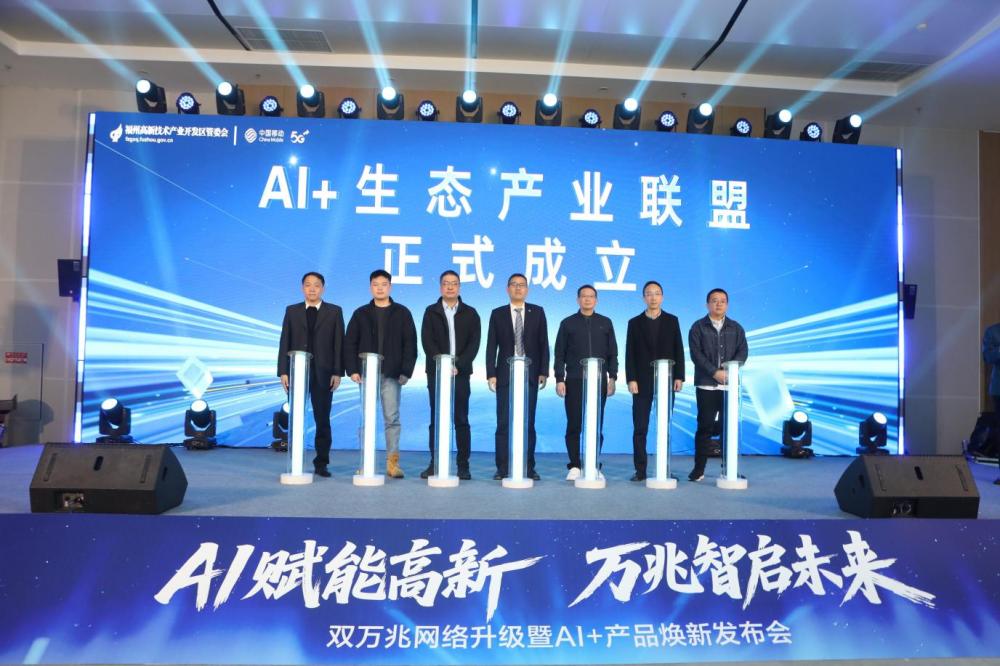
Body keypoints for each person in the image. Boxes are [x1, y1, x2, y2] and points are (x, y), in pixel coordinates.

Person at [344, 269, 417, 479]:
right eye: (376, 284)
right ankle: (365, 462)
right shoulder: (360, 313)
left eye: (384, 284)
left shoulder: (402, 313)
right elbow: (350, 343)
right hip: (366, 374)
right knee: (367, 419)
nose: (380, 288)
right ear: (370, 288)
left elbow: (410, 344)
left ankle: (392, 464)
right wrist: (353, 370)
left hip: (392, 374)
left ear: (390, 287)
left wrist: (406, 371)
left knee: (392, 418)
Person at [276, 271, 345, 478]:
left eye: (316, 285)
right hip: (296, 372)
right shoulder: (292, 311)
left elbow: (339, 344)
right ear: (302, 288)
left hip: (324, 373)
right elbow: (285, 341)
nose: (312, 289)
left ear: (322, 288)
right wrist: (283, 371)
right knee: (296, 418)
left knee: (322, 419)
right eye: (308, 285)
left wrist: (337, 372)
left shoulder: (334, 311)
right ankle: (295, 460)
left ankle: (321, 463)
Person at [485, 273, 549, 481]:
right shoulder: (497, 313)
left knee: (528, 422)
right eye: (514, 285)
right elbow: (491, 346)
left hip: (530, 374)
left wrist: (543, 372)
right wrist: (491, 373)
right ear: (507, 289)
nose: (518, 288)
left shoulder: (537, 312)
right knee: (503, 422)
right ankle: (502, 467)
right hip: (505, 374)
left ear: (527, 289)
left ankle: (528, 467)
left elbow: (543, 344)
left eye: (522, 285)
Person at [420, 270, 481, 480]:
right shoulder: (431, 311)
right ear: (440, 287)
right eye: (446, 283)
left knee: (461, 419)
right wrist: (443, 364)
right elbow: (427, 341)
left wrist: (459, 365)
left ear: (459, 287)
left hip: (461, 374)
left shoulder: (470, 313)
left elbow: (474, 344)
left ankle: (463, 465)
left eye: (454, 283)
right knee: (436, 418)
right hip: (436, 373)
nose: (450, 287)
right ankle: (435, 462)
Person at [554, 285, 618, 481]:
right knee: (574, 424)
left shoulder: (605, 323)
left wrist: (612, 377)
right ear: (578, 299)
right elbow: (559, 354)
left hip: (599, 382)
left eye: (591, 296)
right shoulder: (567, 323)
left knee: (596, 424)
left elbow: (613, 353)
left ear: (596, 300)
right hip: (574, 380)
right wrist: (559, 379)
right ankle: (574, 465)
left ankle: (593, 463)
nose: (587, 299)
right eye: (584, 296)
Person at [625, 280, 685, 481]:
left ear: (662, 297)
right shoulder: (634, 323)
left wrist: (679, 376)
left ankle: (664, 468)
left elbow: (678, 350)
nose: (653, 297)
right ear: (644, 298)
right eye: (649, 293)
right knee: (640, 428)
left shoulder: (672, 320)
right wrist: (631, 379)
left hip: (666, 381)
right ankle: (640, 470)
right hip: (641, 382)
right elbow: (630, 353)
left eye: (657, 293)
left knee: (664, 427)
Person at [688, 288, 749, 482]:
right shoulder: (698, 327)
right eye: (714, 300)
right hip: (706, 386)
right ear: (707, 304)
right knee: (704, 427)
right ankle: (699, 469)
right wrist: (715, 372)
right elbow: (696, 354)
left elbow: (743, 352)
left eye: (722, 301)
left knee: (728, 428)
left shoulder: (736, 328)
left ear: (727, 305)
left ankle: (729, 469)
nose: (719, 304)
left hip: (729, 386)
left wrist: (729, 371)